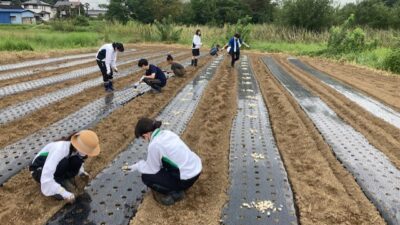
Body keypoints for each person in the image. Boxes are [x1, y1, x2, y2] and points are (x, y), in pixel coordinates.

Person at [123, 118, 202, 206]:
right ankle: (177, 186)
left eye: (143, 138)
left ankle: (176, 192)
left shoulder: (154, 145)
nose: (145, 140)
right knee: (164, 166)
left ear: (146, 134)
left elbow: (152, 169)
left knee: (146, 177)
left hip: (186, 179)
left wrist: (137, 166)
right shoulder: (168, 133)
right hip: (196, 170)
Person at [29, 130, 101, 203]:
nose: (85, 154)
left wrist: (81, 172)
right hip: (39, 170)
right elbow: (46, 175)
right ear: (79, 146)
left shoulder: (76, 150)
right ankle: (57, 183)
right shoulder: (60, 149)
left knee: (77, 160)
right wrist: (64, 193)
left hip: (57, 168)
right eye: (85, 151)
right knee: (64, 163)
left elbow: (78, 160)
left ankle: (61, 180)